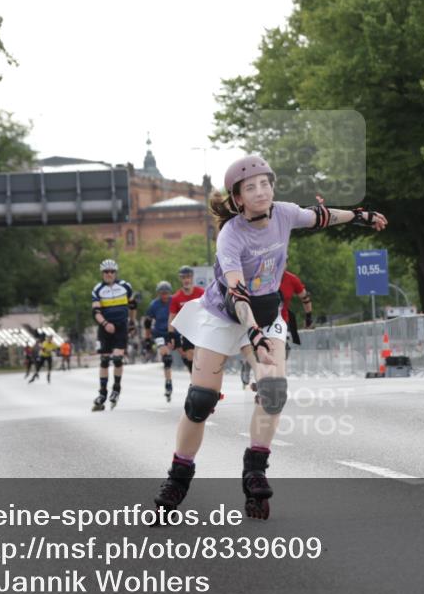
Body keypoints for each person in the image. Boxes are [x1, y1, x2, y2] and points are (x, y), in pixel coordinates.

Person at [155, 155, 387, 519]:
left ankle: (255, 471)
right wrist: (254, 336)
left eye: (265, 183)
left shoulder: (283, 213)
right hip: (225, 314)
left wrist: (360, 215)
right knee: (200, 400)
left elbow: (320, 217)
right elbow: (236, 293)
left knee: (274, 391)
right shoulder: (230, 235)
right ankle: (179, 476)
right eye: (251, 187)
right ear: (237, 199)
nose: (261, 191)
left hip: (265, 311)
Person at [240, 268, 313, 387]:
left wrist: (308, 317)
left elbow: (305, 297)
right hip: (260, 318)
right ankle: (253, 368)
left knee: (284, 349)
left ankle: (266, 378)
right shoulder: (263, 277)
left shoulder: (292, 279)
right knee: (261, 347)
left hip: (281, 321)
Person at [91, 259, 137, 411]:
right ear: (102, 273)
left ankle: (116, 389)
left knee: (117, 359)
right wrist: (105, 324)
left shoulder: (125, 286)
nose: (109, 274)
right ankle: (102, 393)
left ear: (115, 273)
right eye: (106, 272)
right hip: (105, 328)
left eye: (112, 271)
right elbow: (95, 312)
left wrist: (132, 322)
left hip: (121, 327)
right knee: (104, 360)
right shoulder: (98, 289)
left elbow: (132, 305)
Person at [168, 265, 205, 372]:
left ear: (192, 277)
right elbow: (171, 317)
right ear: (180, 279)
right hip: (186, 331)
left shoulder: (201, 293)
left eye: (188, 277)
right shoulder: (176, 297)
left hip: (201, 328)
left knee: (201, 358)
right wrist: (170, 334)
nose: (186, 280)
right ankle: (194, 382)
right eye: (183, 278)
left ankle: (201, 380)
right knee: (190, 356)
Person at [144, 281, 176, 402]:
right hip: (159, 334)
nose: (164, 296)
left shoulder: (174, 301)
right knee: (167, 358)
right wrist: (147, 340)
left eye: (166, 293)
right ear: (158, 293)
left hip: (172, 332)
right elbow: (147, 323)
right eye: (162, 293)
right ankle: (168, 383)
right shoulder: (154, 305)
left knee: (188, 357)